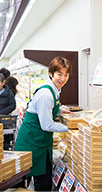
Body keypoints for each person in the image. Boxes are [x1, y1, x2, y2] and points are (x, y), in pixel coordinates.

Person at [15, 56, 73, 192]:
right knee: (40, 182)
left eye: (66, 75)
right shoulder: (46, 94)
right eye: (59, 74)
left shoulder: (54, 89)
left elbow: (52, 106)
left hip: (41, 141)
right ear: (51, 74)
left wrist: (61, 109)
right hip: (32, 142)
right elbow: (47, 125)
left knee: (44, 177)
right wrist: (68, 129)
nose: (63, 79)